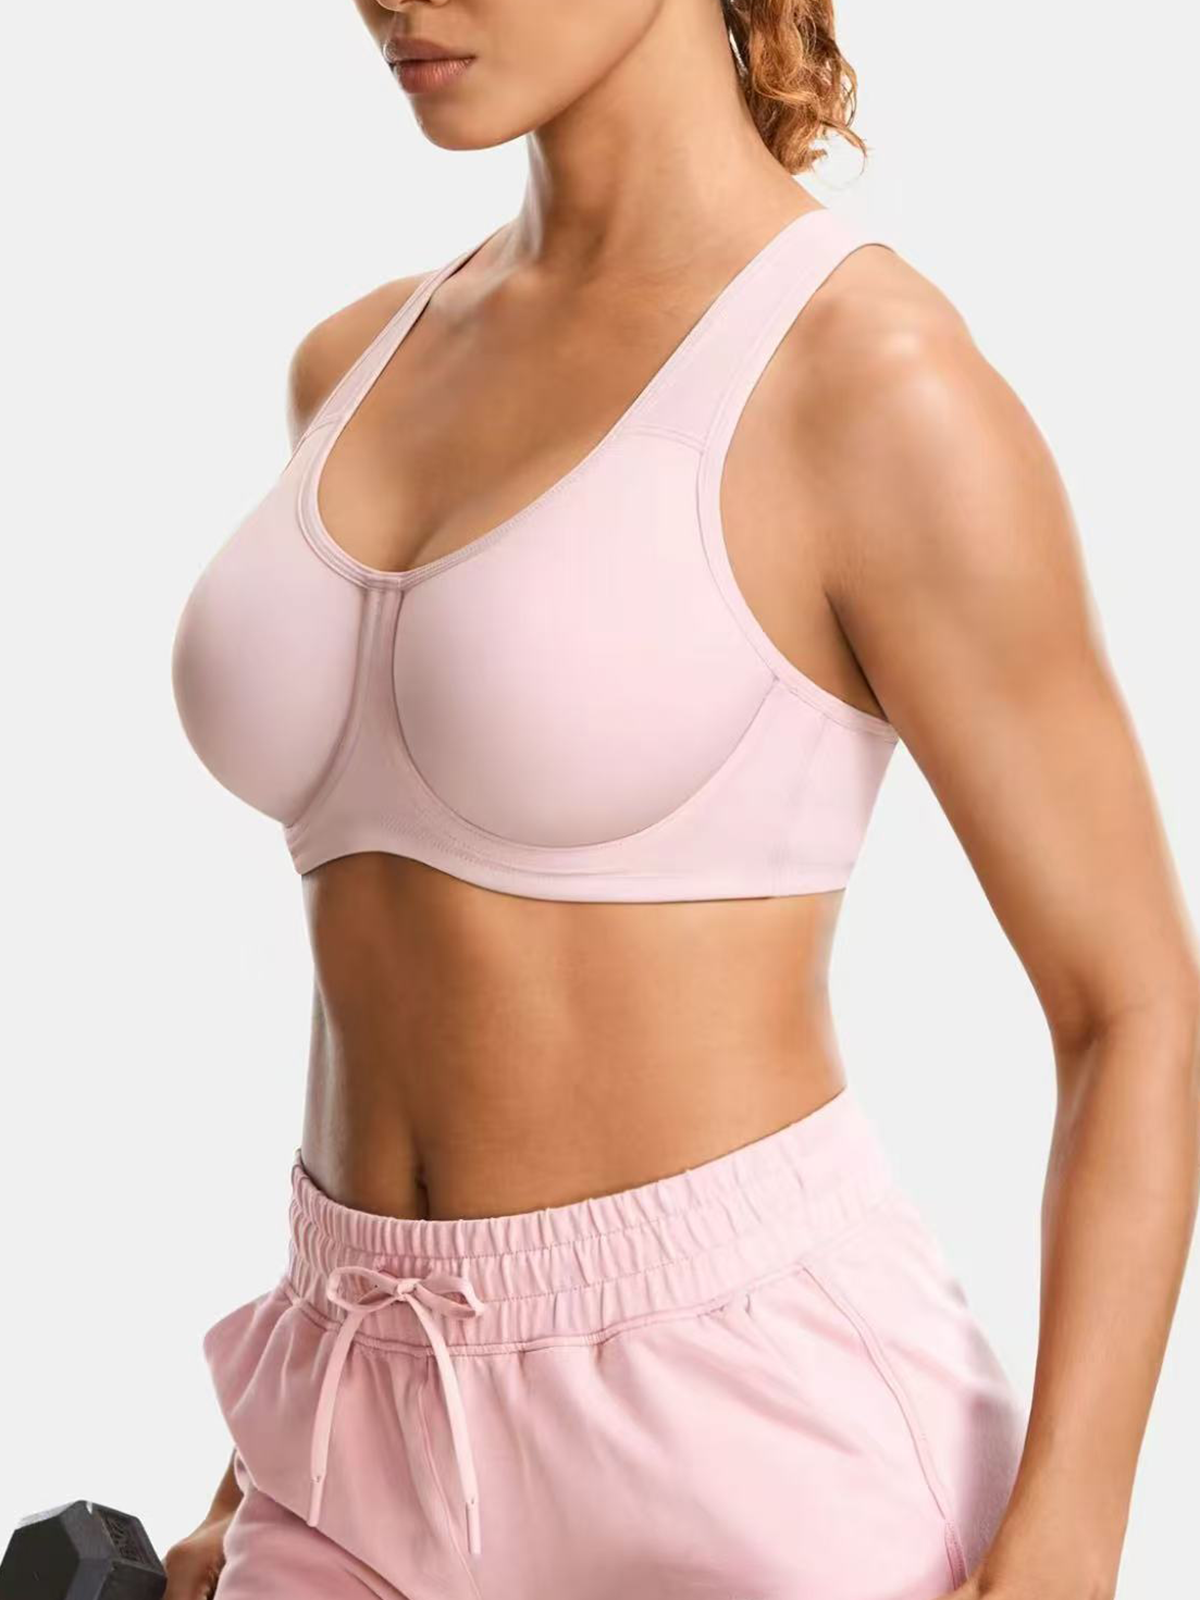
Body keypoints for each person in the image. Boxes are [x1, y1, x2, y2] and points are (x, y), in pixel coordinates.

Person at [166, 2, 1199, 1597]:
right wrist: (260, 1465)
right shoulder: (354, 368)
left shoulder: (868, 381)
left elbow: (1131, 1008)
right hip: (351, 1417)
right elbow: (397, 974)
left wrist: (1066, 1546)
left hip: (746, 1435)